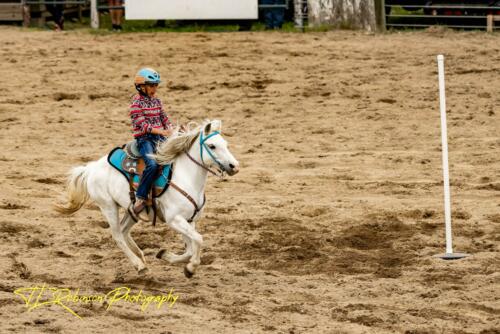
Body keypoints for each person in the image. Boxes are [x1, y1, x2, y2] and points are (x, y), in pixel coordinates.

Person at [129, 68, 174, 221]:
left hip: (160, 137)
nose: (155, 89)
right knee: (152, 165)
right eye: (152, 85)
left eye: (156, 85)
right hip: (145, 139)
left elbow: (164, 117)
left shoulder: (157, 101)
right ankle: (140, 196)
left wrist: (170, 128)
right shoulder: (135, 104)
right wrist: (161, 132)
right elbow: (143, 126)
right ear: (141, 87)